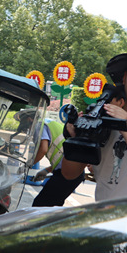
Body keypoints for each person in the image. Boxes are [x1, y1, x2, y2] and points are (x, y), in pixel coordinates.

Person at [49, 64, 127, 205]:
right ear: (125, 78)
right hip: (105, 216)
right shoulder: (104, 125)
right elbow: (69, 174)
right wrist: (77, 138)